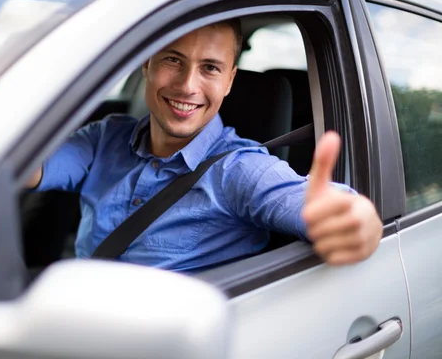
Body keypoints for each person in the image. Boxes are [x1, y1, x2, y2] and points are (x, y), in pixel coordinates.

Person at [26, 19, 382, 272]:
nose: (187, 86)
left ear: (229, 81)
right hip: (75, 318)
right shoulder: (105, 137)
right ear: (147, 64)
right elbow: (24, 166)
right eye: (173, 60)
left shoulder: (240, 169)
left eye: (210, 68)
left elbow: (332, 210)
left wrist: (354, 222)